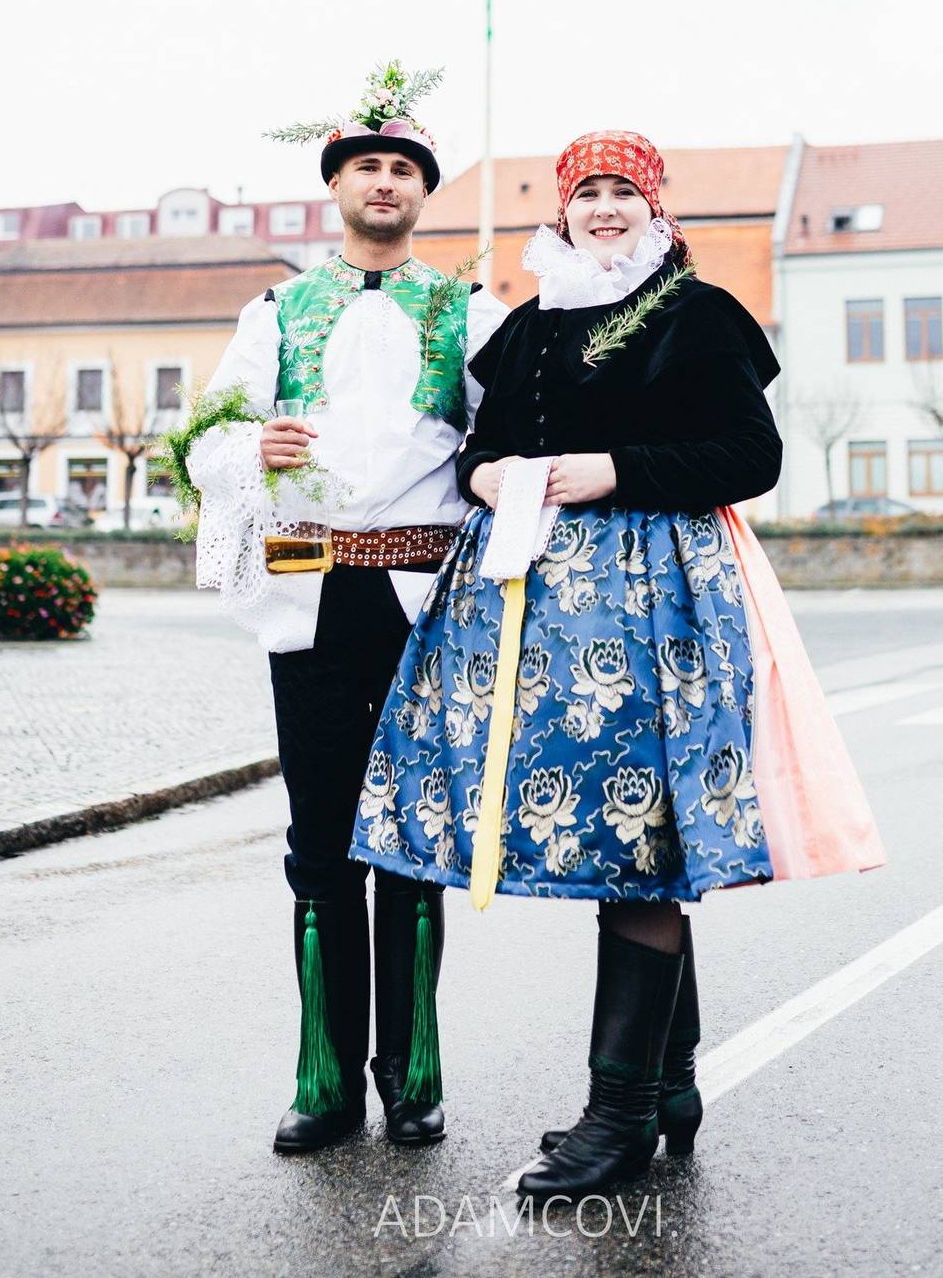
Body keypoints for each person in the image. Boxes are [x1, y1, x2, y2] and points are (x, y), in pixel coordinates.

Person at [349, 128, 885, 1200]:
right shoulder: (533, 323)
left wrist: (614, 469)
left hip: (656, 602)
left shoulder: (697, 313)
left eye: (622, 193)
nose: (604, 208)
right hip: (534, 610)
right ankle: (668, 1083)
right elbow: (481, 445)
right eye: (586, 192)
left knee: (641, 838)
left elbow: (753, 455)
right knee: (609, 835)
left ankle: (622, 1117)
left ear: (653, 208)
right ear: (563, 210)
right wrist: (488, 474)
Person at [185, 63, 506, 1154]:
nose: (384, 182)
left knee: (412, 842)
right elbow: (204, 441)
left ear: (423, 191)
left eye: (402, 169)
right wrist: (250, 444)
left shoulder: (468, 311)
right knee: (320, 845)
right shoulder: (275, 312)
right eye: (366, 165)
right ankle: (324, 1082)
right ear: (336, 185)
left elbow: (512, 436)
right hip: (309, 598)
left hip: (423, 607)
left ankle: (412, 1076)